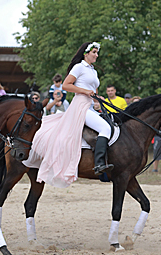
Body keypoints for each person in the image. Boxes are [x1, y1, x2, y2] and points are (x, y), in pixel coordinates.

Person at [23, 41, 113, 188]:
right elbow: (66, 85)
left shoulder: (93, 71)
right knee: (105, 129)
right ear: (86, 53)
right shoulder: (79, 67)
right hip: (80, 106)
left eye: (97, 52)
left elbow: (92, 89)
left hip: (90, 106)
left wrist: (98, 98)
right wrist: (85, 92)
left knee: (111, 125)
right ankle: (99, 164)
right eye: (94, 52)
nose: (97, 55)